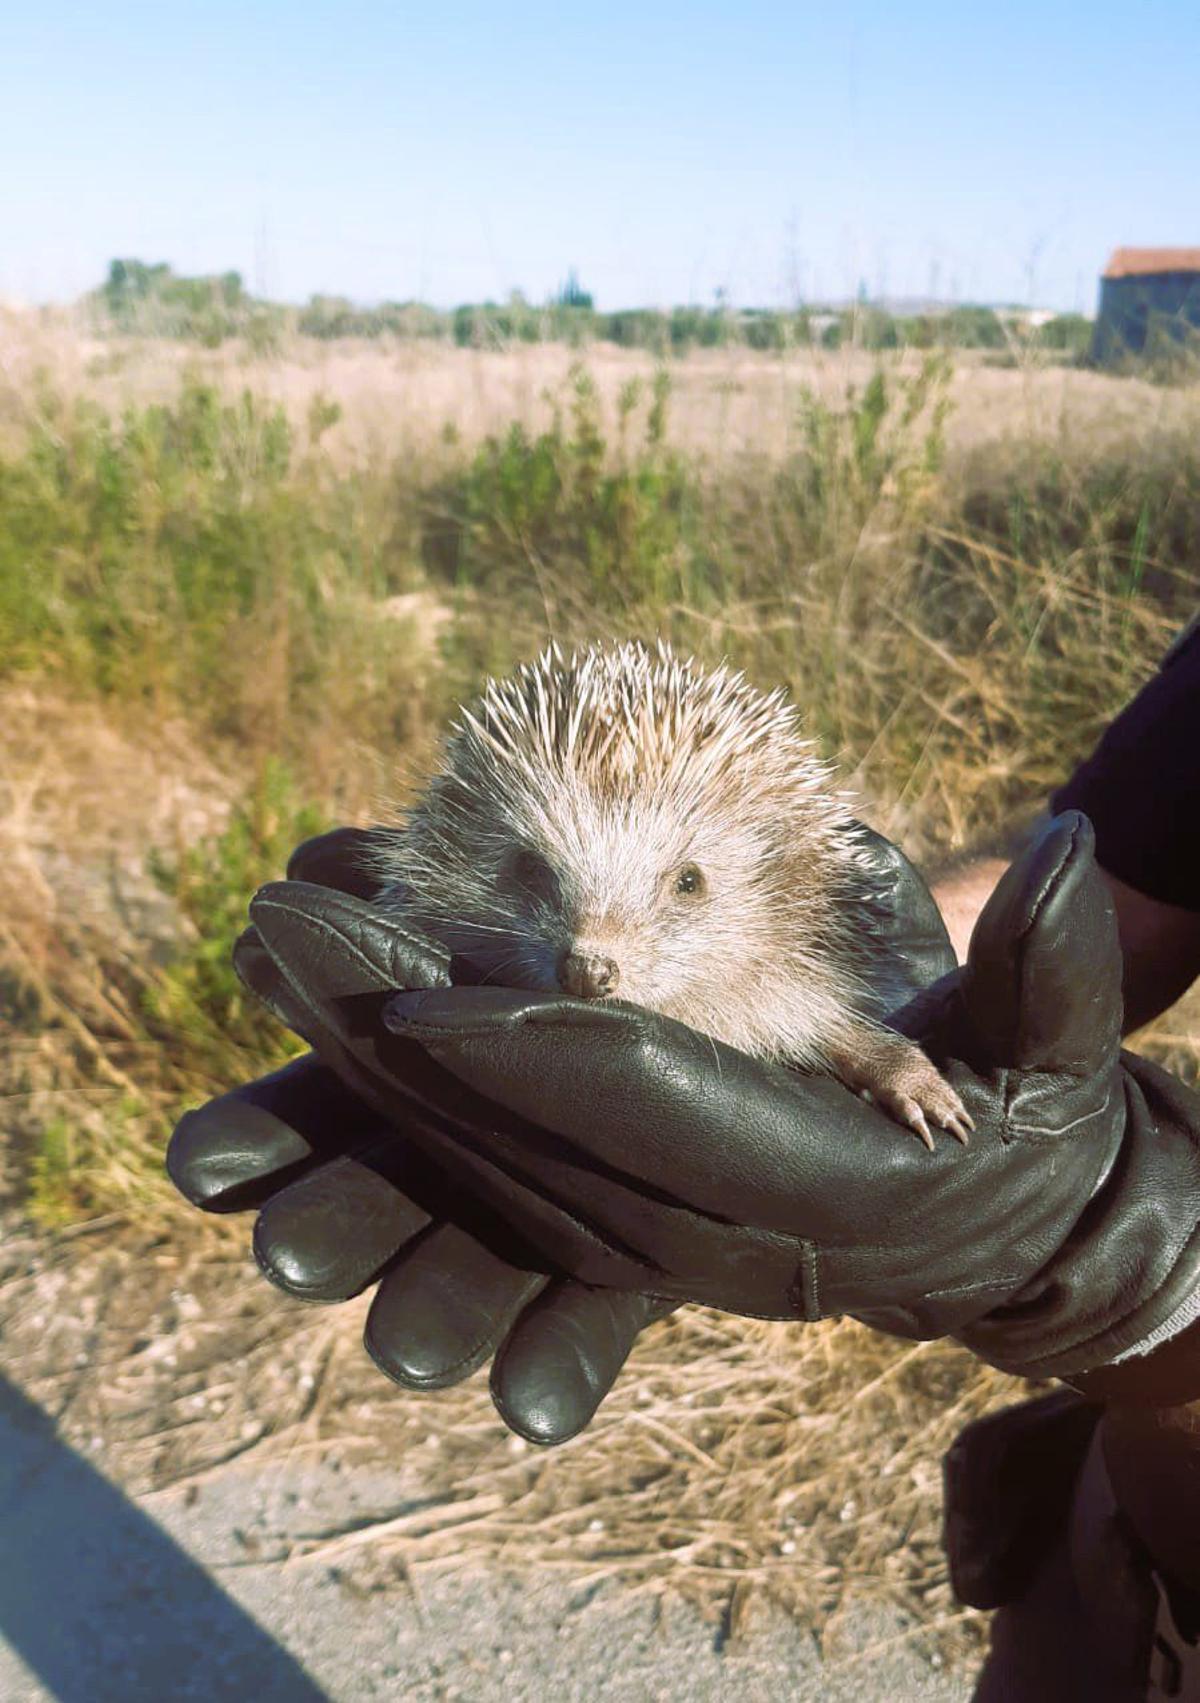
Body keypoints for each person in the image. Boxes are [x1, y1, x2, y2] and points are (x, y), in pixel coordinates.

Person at [169, 615, 1200, 1699]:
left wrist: (1127, 1250)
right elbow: (1122, 888)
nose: (591, 948)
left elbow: (827, 1013)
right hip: (1115, 1583)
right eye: (537, 876)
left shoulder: (789, 931)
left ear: (770, 875)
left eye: (685, 887)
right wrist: (944, 997)